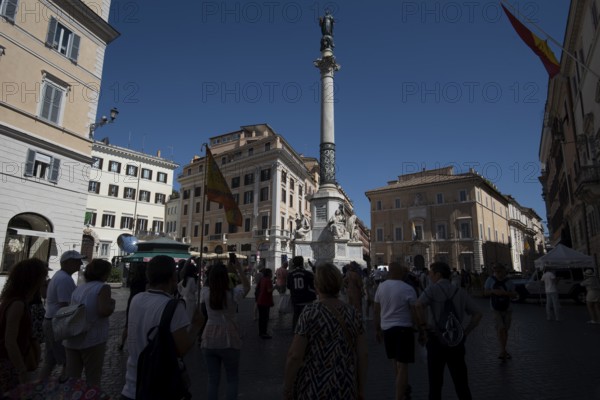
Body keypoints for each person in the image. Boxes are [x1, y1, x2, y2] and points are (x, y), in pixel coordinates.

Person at [121, 255, 203, 400]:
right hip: (158, 388)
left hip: (130, 387)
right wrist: (196, 326)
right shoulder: (173, 306)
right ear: (172, 276)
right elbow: (181, 349)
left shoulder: (136, 299)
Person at [283, 263, 367, 400]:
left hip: (313, 385)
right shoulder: (354, 314)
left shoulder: (310, 313)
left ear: (316, 286)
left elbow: (294, 355)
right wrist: (361, 389)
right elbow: (363, 355)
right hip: (345, 385)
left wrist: (287, 388)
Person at [415, 262, 482, 400]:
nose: (430, 277)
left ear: (438, 275)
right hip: (456, 341)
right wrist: (466, 331)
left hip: (436, 339)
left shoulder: (431, 290)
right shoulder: (459, 291)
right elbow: (477, 314)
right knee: (461, 384)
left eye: (431, 274)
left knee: (435, 384)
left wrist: (423, 325)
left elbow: (418, 305)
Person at [201, 261, 250, 400]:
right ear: (226, 277)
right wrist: (239, 269)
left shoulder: (206, 293)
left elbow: (206, 284)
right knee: (232, 379)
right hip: (229, 338)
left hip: (209, 338)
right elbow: (246, 286)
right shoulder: (233, 293)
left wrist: (210, 273)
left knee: (212, 380)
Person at [0, 258, 49, 395]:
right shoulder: (17, 304)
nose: (45, 280)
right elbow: (10, 341)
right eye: (43, 276)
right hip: (9, 365)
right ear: (33, 279)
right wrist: (21, 370)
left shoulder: (13, 300)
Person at [64, 259, 115, 387]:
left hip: (73, 337)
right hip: (92, 338)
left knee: (72, 378)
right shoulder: (103, 287)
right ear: (104, 273)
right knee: (93, 378)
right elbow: (104, 310)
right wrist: (112, 305)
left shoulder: (79, 288)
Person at [374, 262, 418, 400]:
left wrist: (377, 329)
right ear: (401, 273)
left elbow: (376, 310)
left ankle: (403, 387)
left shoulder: (381, 287)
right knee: (403, 365)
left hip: (387, 329)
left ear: (389, 273)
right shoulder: (408, 288)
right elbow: (415, 310)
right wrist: (420, 327)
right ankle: (399, 396)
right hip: (404, 328)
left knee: (395, 361)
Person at [39, 250, 84, 381]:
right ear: (68, 263)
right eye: (77, 261)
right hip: (57, 324)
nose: (80, 263)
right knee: (68, 361)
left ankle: (39, 387)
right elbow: (65, 306)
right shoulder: (64, 279)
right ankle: (63, 388)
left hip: (51, 321)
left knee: (50, 360)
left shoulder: (60, 276)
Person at [483, 264, 517, 360]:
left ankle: (503, 349)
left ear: (504, 272)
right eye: (496, 272)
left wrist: (504, 293)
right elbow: (485, 292)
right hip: (495, 308)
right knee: (501, 329)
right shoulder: (490, 280)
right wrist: (493, 291)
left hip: (507, 308)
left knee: (505, 330)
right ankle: (502, 350)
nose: (497, 274)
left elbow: (514, 294)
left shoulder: (509, 282)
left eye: (499, 272)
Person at [118, 262, 147, 351]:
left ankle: (122, 343)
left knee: (128, 324)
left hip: (132, 301)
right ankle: (138, 344)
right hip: (142, 301)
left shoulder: (133, 279)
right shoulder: (145, 280)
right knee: (142, 323)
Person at [287, 256, 316, 330]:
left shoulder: (290, 275)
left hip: (295, 299)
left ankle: (295, 331)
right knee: (307, 317)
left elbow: (289, 286)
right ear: (302, 263)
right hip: (307, 299)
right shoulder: (307, 273)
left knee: (296, 316)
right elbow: (313, 286)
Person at [256, 269, 274, 339]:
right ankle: (264, 333)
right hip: (265, 301)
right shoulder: (268, 280)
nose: (272, 274)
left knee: (261, 318)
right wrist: (275, 287)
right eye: (271, 273)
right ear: (269, 274)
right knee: (265, 318)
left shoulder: (262, 279)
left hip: (260, 300)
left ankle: (261, 332)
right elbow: (269, 290)